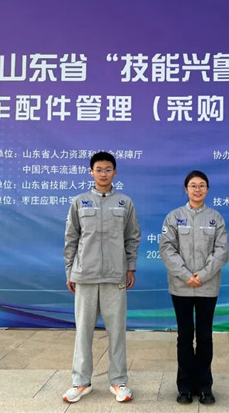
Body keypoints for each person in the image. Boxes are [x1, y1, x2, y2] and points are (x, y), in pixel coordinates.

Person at [62, 151, 141, 404]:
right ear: (91, 172)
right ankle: (80, 382)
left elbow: (132, 237)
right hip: (85, 275)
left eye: (108, 169)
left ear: (114, 172)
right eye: (99, 169)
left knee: (116, 332)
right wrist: (70, 270)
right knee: (83, 331)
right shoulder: (80, 202)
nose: (103, 174)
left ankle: (119, 381)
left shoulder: (124, 203)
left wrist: (130, 267)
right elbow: (71, 238)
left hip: (115, 276)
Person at [159, 170, 229, 405]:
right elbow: (167, 249)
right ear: (186, 189)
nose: (197, 189)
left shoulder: (216, 218)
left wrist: (204, 275)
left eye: (201, 185)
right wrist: (186, 275)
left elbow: (222, 251)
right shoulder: (174, 217)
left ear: (207, 189)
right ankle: (185, 387)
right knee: (185, 336)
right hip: (181, 286)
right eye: (193, 185)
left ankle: (205, 386)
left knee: (205, 336)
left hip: (208, 287)